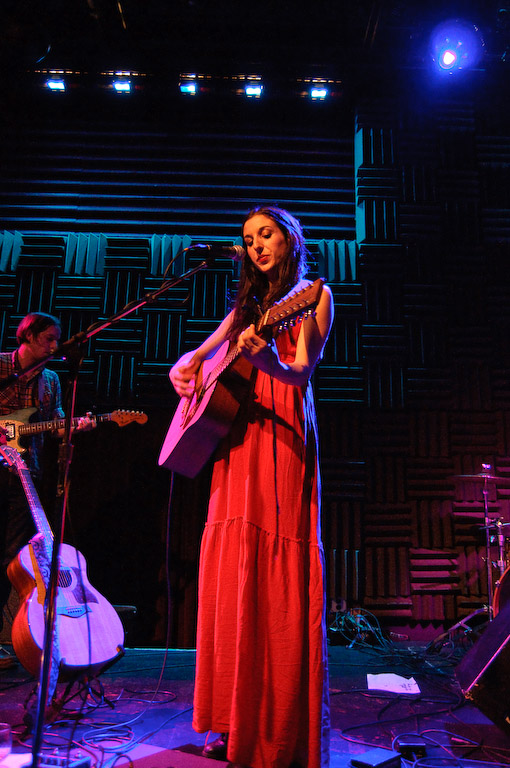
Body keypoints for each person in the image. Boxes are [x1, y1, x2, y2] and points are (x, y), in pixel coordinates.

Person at [169, 205, 334, 768]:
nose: (256, 245)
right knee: (232, 568)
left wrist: (269, 364)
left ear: (289, 239)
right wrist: (185, 366)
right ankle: (227, 717)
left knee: (273, 566)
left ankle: (275, 726)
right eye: (247, 238)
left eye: (265, 234)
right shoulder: (245, 306)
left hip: (283, 432)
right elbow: (204, 353)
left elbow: (301, 373)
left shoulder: (313, 297)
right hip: (237, 431)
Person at [0, 312, 94, 640]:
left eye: (57, 340)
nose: (55, 345)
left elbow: (55, 423)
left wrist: (74, 426)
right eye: (48, 339)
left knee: (12, 553)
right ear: (27, 336)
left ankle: (13, 635)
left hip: (26, 473)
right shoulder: (1, 366)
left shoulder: (50, 379)